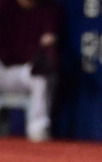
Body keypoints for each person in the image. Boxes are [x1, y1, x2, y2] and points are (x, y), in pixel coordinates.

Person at [0, 0, 63, 142]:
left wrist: (47, 45)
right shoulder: (5, 6)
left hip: (27, 71)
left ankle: (38, 129)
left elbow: (49, 39)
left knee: (40, 77)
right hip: (3, 69)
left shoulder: (48, 9)